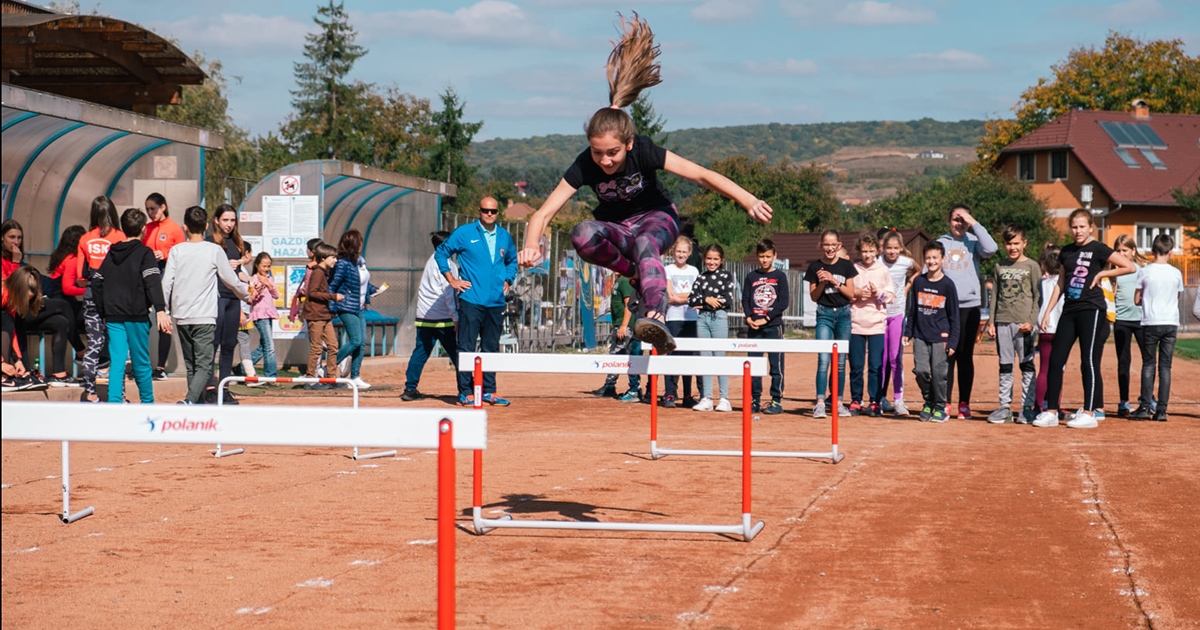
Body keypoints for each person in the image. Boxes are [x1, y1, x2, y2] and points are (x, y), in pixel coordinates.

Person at [517, 14, 772, 356]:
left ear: (629, 144)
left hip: (658, 217)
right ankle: (636, 274)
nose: (605, 161)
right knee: (581, 233)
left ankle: (656, 315)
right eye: (597, 153)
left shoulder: (645, 150)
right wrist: (531, 245)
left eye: (613, 153)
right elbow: (543, 214)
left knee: (644, 242)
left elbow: (700, 175)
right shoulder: (584, 164)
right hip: (620, 228)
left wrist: (747, 199)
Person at [1034, 209, 1135, 429]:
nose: (1078, 231)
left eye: (1082, 227)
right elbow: (1061, 283)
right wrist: (1048, 311)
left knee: (1088, 360)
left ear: (1091, 227)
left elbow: (1130, 266)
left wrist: (1102, 274)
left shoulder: (1098, 248)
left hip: (1092, 309)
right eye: (1074, 227)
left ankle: (1089, 413)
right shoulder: (1067, 251)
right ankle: (1051, 411)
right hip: (1069, 310)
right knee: (1056, 360)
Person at [161, 206, 251, 404]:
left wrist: (164, 310)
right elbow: (231, 280)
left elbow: (166, 283)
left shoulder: (176, 250)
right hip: (204, 316)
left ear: (185, 227)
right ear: (207, 226)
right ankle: (190, 401)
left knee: (191, 363)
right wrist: (246, 295)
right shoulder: (214, 250)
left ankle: (197, 403)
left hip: (181, 315)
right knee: (203, 364)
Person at [436, 198, 516, 406]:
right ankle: (465, 391)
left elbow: (512, 261)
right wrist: (451, 279)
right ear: (479, 211)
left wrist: (508, 279)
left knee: (491, 348)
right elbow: (441, 253)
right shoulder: (464, 233)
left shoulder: (504, 236)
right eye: (485, 210)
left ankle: (489, 391)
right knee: (466, 347)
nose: (489, 214)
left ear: (498, 212)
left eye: (493, 211)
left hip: (496, 302)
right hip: (471, 300)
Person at [91, 208, 171, 404]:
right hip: (137, 315)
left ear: (123, 228)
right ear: (143, 229)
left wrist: (103, 311)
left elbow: (97, 281)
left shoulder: (111, 253)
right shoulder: (145, 253)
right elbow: (152, 281)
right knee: (141, 362)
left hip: (113, 316)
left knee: (117, 362)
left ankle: (115, 403)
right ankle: (147, 404)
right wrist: (160, 309)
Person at [937, 205, 997, 419]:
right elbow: (929, 271)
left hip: (970, 307)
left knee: (965, 355)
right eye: (956, 219)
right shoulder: (941, 243)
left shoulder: (974, 241)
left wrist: (974, 223)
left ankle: (964, 403)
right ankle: (944, 402)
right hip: (946, 308)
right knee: (947, 356)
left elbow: (992, 249)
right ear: (949, 220)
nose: (959, 223)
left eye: (963, 220)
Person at [985, 225, 1041, 424]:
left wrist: (1031, 322)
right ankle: (1004, 407)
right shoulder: (1000, 266)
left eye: (1016, 243)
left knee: (1027, 365)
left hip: (1023, 325)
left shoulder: (1032, 266)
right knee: (1005, 365)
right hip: (1003, 322)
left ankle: (1027, 407)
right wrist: (992, 322)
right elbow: (994, 296)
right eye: (1009, 244)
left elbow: (1038, 297)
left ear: (1024, 243)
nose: (1013, 247)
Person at [903, 241, 960, 423]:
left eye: (935, 257)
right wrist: (908, 332)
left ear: (943, 259)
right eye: (928, 258)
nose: (931, 261)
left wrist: (952, 342)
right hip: (920, 335)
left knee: (939, 374)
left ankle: (940, 407)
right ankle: (929, 400)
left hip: (940, 337)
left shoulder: (948, 285)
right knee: (920, 370)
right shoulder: (919, 282)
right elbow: (912, 310)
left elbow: (954, 317)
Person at [75, 198, 125, 401]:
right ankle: (118, 395)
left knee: (94, 345)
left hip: (91, 296)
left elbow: (80, 275)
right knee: (118, 348)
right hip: (115, 298)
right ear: (112, 213)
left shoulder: (85, 239)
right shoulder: (120, 236)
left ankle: (90, 393)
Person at [1130, 234, 1184, 422]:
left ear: (1152, 251)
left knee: (1148, 364)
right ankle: (1161, 410)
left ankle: (1145, 406)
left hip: (1150, 322)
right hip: (1170, 322)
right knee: (1165, 367)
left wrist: (1146, 299)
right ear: (1170, 252)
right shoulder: (1176, 273)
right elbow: (1177, 297)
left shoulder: (1145, 272)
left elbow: (1136, 299)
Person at [804, 229, 857, 419]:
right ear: (821, 245)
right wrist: (821, 282)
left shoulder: (846, 266)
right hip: (824, 315)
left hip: (843, 315)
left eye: (833, 244)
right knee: (824, 359)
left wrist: (834, 280)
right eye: (826, 244)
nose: (830, 248)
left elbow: (851, 294)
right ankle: (820, 403)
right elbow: (813, 296)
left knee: (840, 362)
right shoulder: (814, 267)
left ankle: (838, 402)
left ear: (839, 245)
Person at [402, 231, 459, 402]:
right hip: (443, 318)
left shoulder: (430, 261)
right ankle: (467, 388)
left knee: (420, 352)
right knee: (458, 354)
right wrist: (455, 317)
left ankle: (410, 388)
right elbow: (449, 294)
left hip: (424, 316)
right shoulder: (447, 264)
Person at [205, 204, 252, 404]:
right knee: (212, 344)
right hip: (216, 297)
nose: (229, 224)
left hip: (233, 299)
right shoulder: (209, 243)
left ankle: (224, 388)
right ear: (216, 220)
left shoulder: (237, 243)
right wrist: (225, 266)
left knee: (229, 345)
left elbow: (237, 274)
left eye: (232, 220)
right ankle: (209, 388)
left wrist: (251, 280)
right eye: (225, 220)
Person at [849, 233, 894, 417]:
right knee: (856, 366)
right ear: (859, 251)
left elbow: (891, 296)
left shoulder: (883, 270)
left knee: (875, 366)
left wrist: (878, 293)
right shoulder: (853, 269)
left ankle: (875, 401)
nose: (867, 255)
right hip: (855, 324)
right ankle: (856, 400)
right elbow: (846, 294)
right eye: (864, 251)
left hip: (877, 325)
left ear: (877, 251)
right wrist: (857, 294)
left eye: (871, 251)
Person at [743, 239, 789, 415]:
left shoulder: (780, 277)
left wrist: (767, 318)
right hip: (754, 327)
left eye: (768, 256)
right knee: (754, 364)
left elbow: (783, 302)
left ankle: (776, 400)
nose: (765, 260)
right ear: (757, 256)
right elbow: (745, 299)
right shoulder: (751, 277)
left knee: (776, 365)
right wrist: (749, 317)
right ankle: (754, 399)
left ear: (774, 256)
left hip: (773, 326)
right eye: (762, 256)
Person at [142, 193, 185, 381]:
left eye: (153, 208)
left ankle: (160, 367)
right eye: (148, 209)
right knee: (142, 319)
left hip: (166, 274)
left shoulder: (174, 229)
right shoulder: (146, 228)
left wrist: (165, 254)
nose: (150, 213)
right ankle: (141, 364)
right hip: (146, 275)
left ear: (163, 207)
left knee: (164, 320)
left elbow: (182, 254)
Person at [328, 229, 377, 391]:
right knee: (355, 340)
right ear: (352, 245)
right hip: (346, 306)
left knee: (362, 343)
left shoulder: (360, 262)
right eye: (359, 243)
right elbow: (332, 286)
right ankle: (328, 367)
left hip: (359, 306)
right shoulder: (342, 263)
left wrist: (373, 290)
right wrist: (332, 307)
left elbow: (362, 283)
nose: (361, 246)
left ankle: (355, 376)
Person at [690, 243, 735, 412]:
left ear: (721, 260)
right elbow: (691, 299)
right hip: (702, 319)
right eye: (709, 258)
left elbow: (727, 300)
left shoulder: (726, 276)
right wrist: (706, 300)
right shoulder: (701, 277)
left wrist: (704, 302)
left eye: (715, 259)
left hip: (719, 318)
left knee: (719, 356)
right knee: (705, 357)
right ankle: (706, 397)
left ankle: (724, 398)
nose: (712, 262)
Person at [877, 229, 917, 416]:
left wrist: (908, 286)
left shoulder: (906, 262)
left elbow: (919, 270)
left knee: (895, 358)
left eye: (895, 248)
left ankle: (899, 400)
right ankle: (879, 399)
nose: (892, 251)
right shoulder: (877, 262)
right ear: (883, 248)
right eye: (888, 248)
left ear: (901, 248)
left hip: (897, 315)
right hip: (879, 316)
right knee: (881, 359)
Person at [1111, 234, 1147, 417]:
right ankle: (1123, 401)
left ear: (1133, 250)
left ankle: (1147, 399)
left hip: (1141, 320)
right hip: (1122, 320)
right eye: (1118, 251)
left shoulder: (1143, 269)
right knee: (1123, 362)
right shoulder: (1114, 270)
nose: (1121, 254)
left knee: (1148, 360)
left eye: (1124, 250)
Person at [593, 272, 642, 401]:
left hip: (625, 326)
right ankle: (629, 387)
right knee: (622, 355)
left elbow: (629, 304)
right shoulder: (619, 281)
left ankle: (612, 386)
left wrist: (624, 325)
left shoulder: (625, 281)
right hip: (621, 324)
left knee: (617, 354)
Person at [662, 236, 699, 408]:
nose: (681, 254)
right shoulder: (667, 269)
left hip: (691, 318)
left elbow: (696, 294)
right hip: (673, 318)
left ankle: (687, 395)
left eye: (684, 251)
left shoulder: (694, 271)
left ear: (689, 253)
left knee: (688, 357)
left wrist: (680, 298)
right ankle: (669, 393)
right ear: (673, 252)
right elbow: (670, 295)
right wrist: (685, 297)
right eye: (678, 251)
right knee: (672, 355)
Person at [2, 267, 50, 392]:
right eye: (23, 298)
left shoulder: (10, 301)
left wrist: (18, 359)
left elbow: (11, 333)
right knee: (5, 318)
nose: (23, 303)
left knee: (10, 320)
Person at [302, 243, 340, 390]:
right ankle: (310, 379)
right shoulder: (318, 272)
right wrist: (333, 297)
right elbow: (312, 293)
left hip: (324, 315)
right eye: (333, 257)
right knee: (316, 347)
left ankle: (331, 378)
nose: (335, 260)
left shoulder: (324, 272)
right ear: (323, 258)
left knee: (333, 346)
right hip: (315, 315)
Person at [1034, 245, 1063, 412]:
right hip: (1061, 330)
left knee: (1044, 368)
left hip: (1044, 330)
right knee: (1057, 369)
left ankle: (1039, 405)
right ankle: (1053, 405)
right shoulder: (1063, 282)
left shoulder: (1041, 283)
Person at [247, 252, 280, 382]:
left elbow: (276, 295)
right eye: (264, 266)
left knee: (264, 346)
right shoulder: (253, 279)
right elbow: (250, 298)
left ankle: (243, 368)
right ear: (257, 265)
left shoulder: (270, 278)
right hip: (260, 315)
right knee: (270, 346)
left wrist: (269, 284)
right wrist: (258, 291)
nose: (266, 269)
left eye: (268, 266)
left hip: (269, 313)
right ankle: (271, 376)